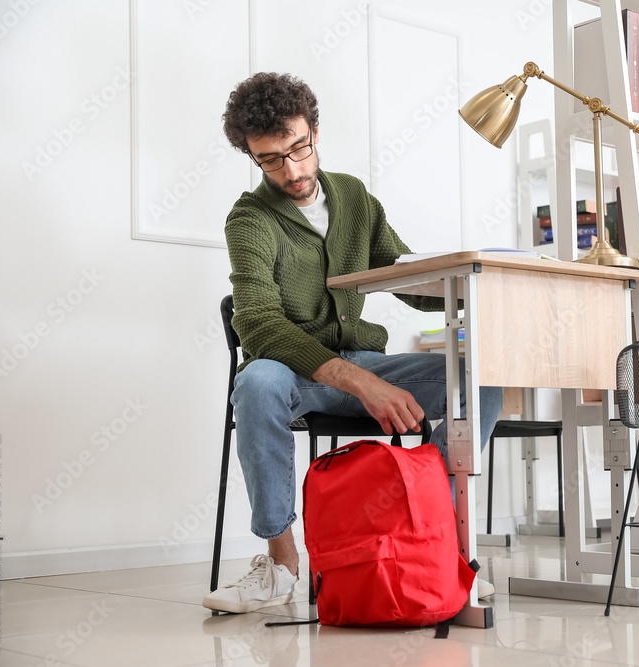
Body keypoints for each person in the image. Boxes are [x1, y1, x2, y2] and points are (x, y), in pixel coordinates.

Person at [203, 72, 503, 614]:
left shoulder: (355, 199)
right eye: (271, 160)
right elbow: (261, 326)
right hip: (294, 376)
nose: (291, 170)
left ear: (315, 130)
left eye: (299, 148)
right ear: (253, 157)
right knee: (256, 381)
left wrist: (478, 283)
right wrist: (358, 382)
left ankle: (429, 542)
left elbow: (407, 281)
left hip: (366, 362)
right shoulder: (249, 220)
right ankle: (281, 564)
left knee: (482, 378)